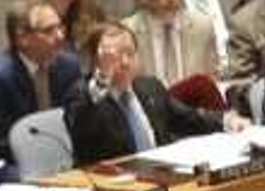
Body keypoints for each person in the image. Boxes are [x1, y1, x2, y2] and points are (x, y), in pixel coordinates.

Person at [61, 20, 222, 162]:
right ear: (96, 60)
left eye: (130, 53)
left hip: (163, 175)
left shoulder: (149, 86)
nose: (125, 62)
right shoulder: (82, 95)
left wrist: (227, 121)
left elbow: (189, 119)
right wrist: (103, 77)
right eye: (114, 57)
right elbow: (83, 129)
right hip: (115, 184)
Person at [0, 0, 86, 166]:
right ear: (22, 38)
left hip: (60, 161)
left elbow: (78, 123)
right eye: (49, 30)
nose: (60, 36)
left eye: (60, 27)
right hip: (7, 166)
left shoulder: (68, 67)